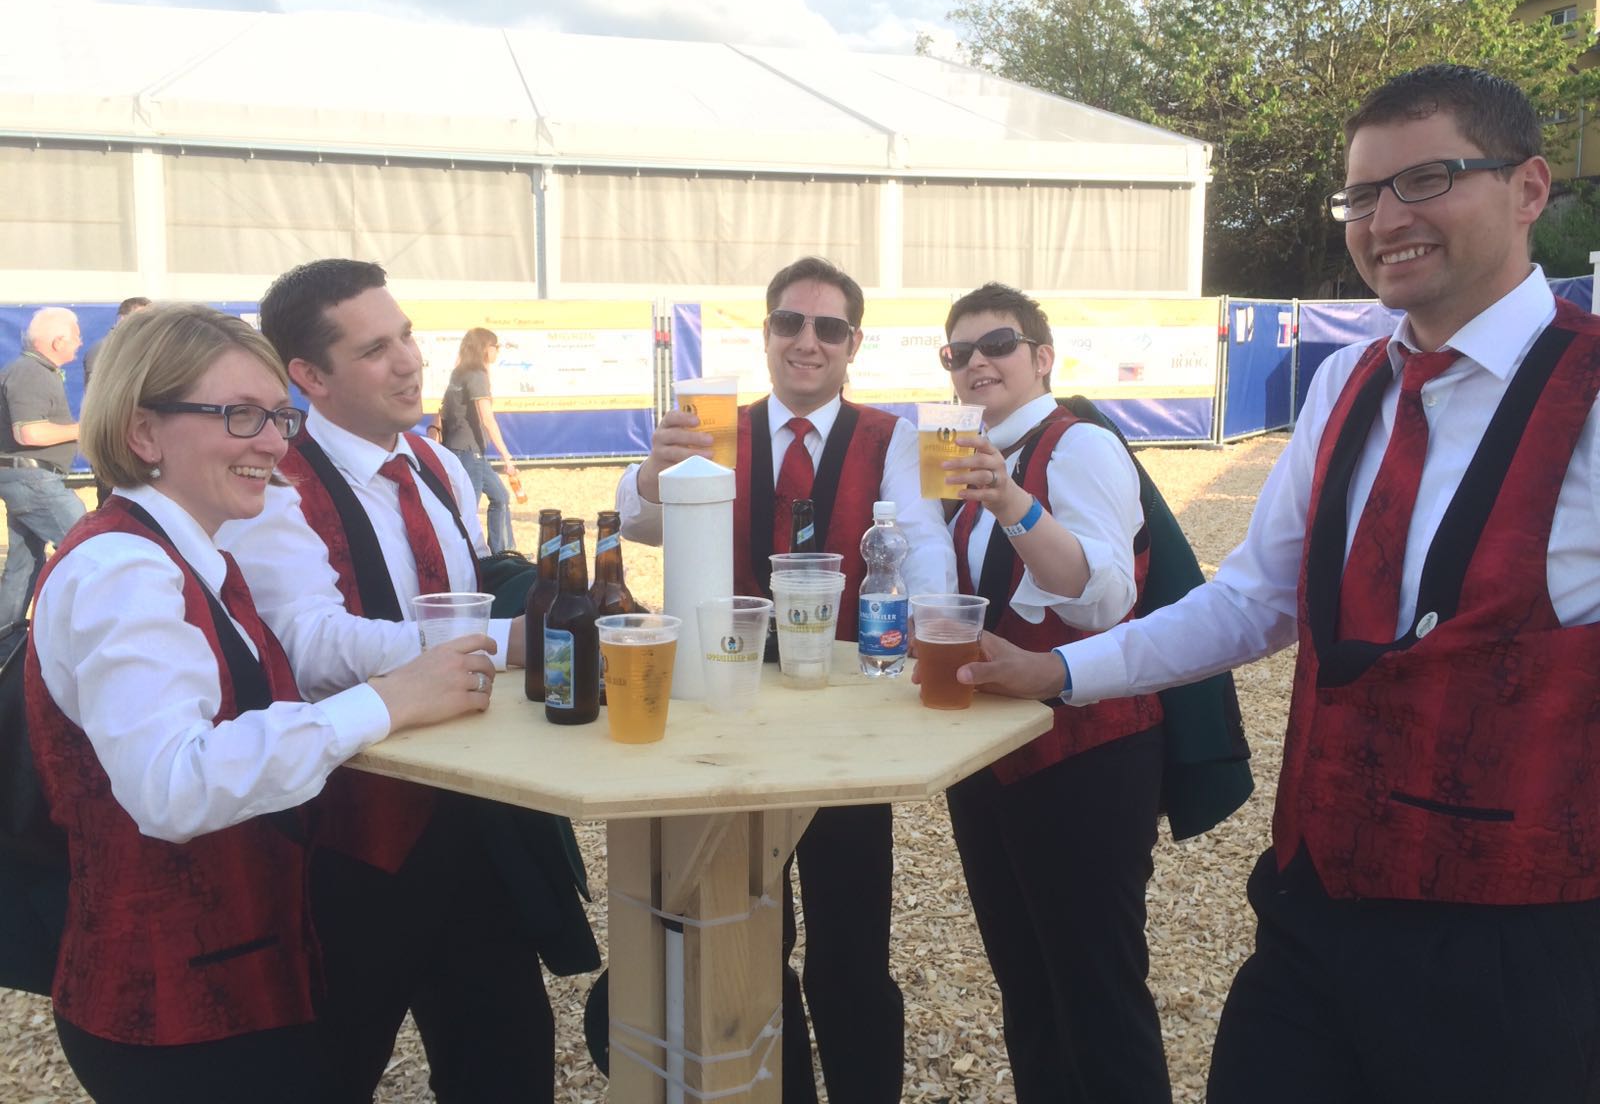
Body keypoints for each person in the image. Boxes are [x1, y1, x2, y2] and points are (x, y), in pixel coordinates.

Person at [958, 64, 1600, 1103]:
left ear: (1528, 189)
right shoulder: (1347, 382)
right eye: (1363, 194)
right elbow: (1252, 600)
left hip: (1518, 939)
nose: (1385, 219)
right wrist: (1059, 672)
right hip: (1312, 903)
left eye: (1426, 179)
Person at [25, 303, 494, 1104]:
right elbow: (172, 785)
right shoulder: (123, 571)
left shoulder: (184, 555)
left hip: (231, 982)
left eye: (279, 416)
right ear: (144, 432)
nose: (274, 443)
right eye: (240, 415)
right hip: (172, 1012)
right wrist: (384, 702)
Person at [220, 259, 595, 1104]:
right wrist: (510, 641)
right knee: (335, 1064)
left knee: (507, 1055)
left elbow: (473, 580)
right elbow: (309, 644)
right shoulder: (276, 484)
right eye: (374, 349)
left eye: (408, 336)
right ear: (310, 377)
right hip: (355, 833)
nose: (408, 362)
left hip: (478, 808)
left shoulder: (435, 463)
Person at [616, 254, 955, 1104]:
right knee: (748, 935)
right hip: (727, 714)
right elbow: (640, 523)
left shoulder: (893, 436)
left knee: (852, 949)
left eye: (828, 327)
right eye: (790, 323)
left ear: (853, 344)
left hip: (844, 726)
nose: (808, 341)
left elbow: (927, 551)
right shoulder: (717, 427)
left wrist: (931, 639)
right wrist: (652, 474)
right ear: (766, 333)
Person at [934, 283, 1170, 1103]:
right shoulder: (965, 455)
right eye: (958, 352)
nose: (976, 362)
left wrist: (1010, 501)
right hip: (990, 756)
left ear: (1042, 358)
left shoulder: (1082, 447)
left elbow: (1103, 599)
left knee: (1099, 992)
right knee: (1028, 989)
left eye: (996, 344)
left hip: (1086, 754)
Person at [0, 307, 87, 660]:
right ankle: (88, 637)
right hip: (33, 480)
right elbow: (30, 433)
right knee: (92, 546)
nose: (80, 342)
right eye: (76, 335)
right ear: (57, 341)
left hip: (26, 478)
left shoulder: (33, 370)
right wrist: (87, 427)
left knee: (23, 565)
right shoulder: (31, 372)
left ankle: (6, 646)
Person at [438, 326, 516, 553]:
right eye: (495, 346)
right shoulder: (477, 375)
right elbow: (488, 419)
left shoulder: (459, 372)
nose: (497, 351)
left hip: (462, 448)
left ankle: (501, 552)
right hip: (469, 450)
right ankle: (466, 555)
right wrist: (507, 457)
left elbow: (443, 410)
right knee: (467, 508)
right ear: (485, 348)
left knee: (500, 497)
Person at [85, 297, 153, 506]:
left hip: (132, 438)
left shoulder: (134, 349)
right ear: (123, 319)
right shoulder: (106, 350)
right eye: (144, 319)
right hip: (114, 441)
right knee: (114, 503)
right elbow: (106, 398)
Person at [81, 296, 151, 388]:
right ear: (122, 318)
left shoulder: (145, 348)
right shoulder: (103, 349)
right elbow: (97, 390)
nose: (148, 324)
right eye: (142, 319)